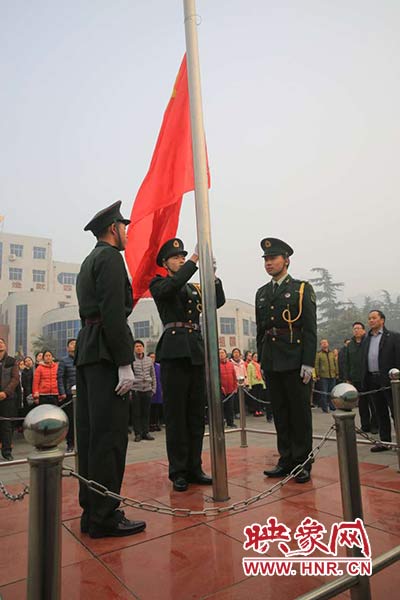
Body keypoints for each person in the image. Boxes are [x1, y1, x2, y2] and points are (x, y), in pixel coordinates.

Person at [75, 200, 146, 538]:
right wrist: (123, 362)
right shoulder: (111, 258)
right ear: (113, 229)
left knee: (90, 437)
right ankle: (106, 515)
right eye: (125, 227)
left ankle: (91, 512)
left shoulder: (89, 261)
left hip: (90, 349)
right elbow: (114, 313)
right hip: (106, 354)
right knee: (110, 438)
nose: (127, 232)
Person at [150, 238, 226, 492]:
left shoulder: (193, 288)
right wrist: (194, 262)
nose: (181, 259)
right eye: (176, 257)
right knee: (176, 416)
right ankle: (178, 471)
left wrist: (212, 276)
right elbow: (170, 288)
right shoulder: (159, 283)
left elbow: (217, 301)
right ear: (164, 263)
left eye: (184, 256)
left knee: (195, 416)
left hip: (194, 351)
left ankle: (194, 467)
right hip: (174, 353)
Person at [256, 238, 317, 484]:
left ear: (286, 260)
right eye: (266, 259)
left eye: (273, 258)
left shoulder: (302, 289)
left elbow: (310, 329)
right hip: (272, 361)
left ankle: (302, 461)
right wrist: (262, 359)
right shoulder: (262, 292)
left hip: (294, 360)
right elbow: (262, 330)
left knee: (299, 413)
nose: (269, 263)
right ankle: (286, 458)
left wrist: (308, 363)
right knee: (280, 412)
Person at [360, 310, 400, 452]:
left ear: (382, 320)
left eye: (374, 318)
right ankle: (385, 442)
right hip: (372, 380)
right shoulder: (366, 339)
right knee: (380, 412)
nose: (371, 320)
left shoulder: (393, 337)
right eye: (369, 318)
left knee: (396, 412)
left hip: (390, 380)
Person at [345, 322, 377, 433]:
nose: (356, 330)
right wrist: (348, 377)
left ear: (363, 330)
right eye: (354, 328)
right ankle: (365, 425)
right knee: (362, 404)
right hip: (356, 378)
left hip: (368, 377)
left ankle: (375, 426)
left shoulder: (369, 341)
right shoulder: (350, 345)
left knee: (373, 403)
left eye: (358, 328)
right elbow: (347, 362)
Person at [130, 340, 156, 442]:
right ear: (134, 349)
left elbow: (153, 375)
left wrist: (153, 389)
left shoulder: (149, 360)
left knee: (146, 412)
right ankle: (138, 433)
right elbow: (130, 376)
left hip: (147, 389)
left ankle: (146, 432)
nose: (139, 348)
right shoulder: (131, 360)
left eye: (140, 346)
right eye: (136, 346)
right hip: (136, 390)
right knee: (136, 413)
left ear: (143, 348)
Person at [0, 338, 19, 460]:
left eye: (1, 342)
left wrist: (5, 393)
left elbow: (15, 379)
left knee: (6, 425)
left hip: (7, 398)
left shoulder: (12, 361)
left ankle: (7, 451)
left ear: (5, 346)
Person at [57, 338, 77, 452]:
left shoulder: (81, 358)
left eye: (75, 343)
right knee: (70, 419)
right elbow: (60, 378)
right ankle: (70, 443)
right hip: (69, 395)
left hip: (82, 393)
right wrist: (62, 392)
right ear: (67, 347)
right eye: (71, 344)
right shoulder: (63, 361)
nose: (74, 345)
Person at [314, 339, 338, 412]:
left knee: (332, 392)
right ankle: (324, 408)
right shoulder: (318, 354)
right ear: (320, 345)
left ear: (328, 344)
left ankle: (332, 406)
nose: (324, 344)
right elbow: (316, 365)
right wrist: (317, 374)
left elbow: (335, 363)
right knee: (324, 392)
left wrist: (337, 373)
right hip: (323, 376)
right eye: (322, 343)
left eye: (325, 342)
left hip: (332, 375)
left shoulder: (332, 353)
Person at [219, 348, 237, 428]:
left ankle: (230, 422)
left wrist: (235, 387)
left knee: (230, 407)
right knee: (221, 408)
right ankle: (220, 423)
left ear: (226, 354)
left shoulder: (230, 364)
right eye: (219, 353)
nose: (221, 354)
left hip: (231, 389)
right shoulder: (216, 365)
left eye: (223, 352)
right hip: (221, 390)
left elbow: (234, 376)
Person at [247, 352, 267, 417]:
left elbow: (261, 376)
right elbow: (249, 375)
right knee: (255, 398)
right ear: (252, 357)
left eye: (257, 357)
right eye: (255, 356)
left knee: (259, 398)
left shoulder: (259, 365)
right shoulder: (250, 365)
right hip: (254, 383)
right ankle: (256, 411)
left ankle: (259, 410)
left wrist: (263, 384)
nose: (256, 358)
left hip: (260, 382)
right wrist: (249, 385)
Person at [230, 348, 247, 417]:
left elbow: (245, 373)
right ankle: (236, 412)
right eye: (235, 352)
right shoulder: (230, 363)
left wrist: (246, 383)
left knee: (242, 398)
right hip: (235, 383)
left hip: (242, 383)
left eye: (237, 352)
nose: (236, 354)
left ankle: (242, 411)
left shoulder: (242, 363)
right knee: (236, 399)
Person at [148, 352, 163, 432]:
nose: (152, 359)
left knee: (157, 408)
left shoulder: (158, 366)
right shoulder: (148, 366)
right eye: (151, 357)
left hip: (158, 389)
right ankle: (150, 424)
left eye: (153, 357)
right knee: (150, 408)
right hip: (149, 389)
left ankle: (156, 423)